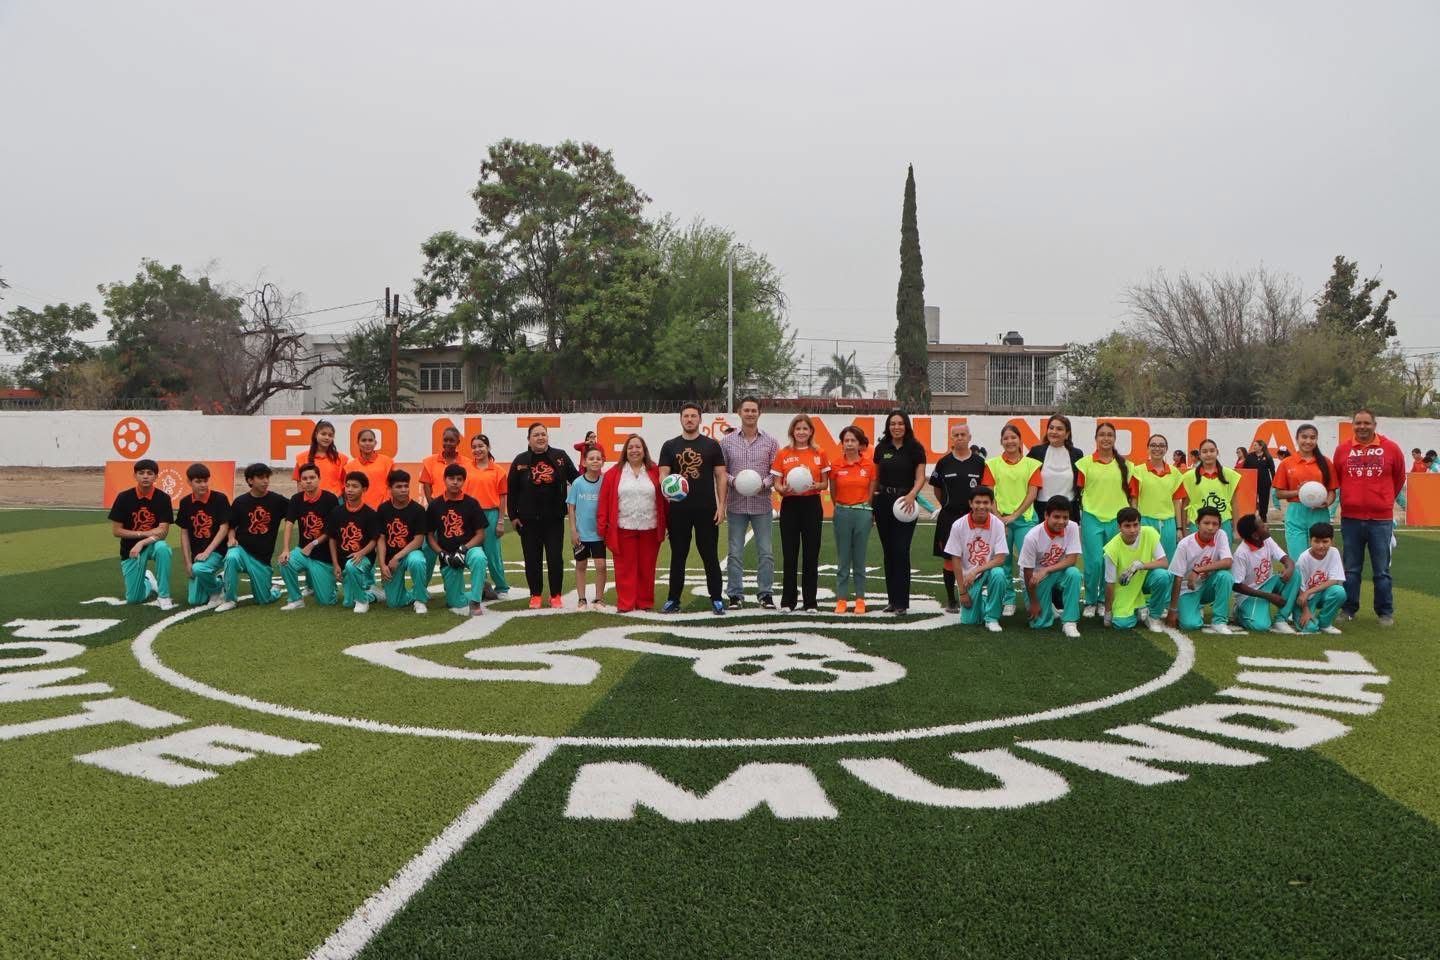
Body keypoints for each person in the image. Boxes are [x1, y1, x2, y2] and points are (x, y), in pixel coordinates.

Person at [1333, 408, 1405, 625]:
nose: (1362, 427)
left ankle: (1385, 612)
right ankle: (1348, 609)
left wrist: (1382, 500)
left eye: (1366, 423)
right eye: (1358, 423)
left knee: (1381, 570)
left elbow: (1399, 478)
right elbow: (1337, 479)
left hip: (1381, 521)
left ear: (1375, 424)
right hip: (1351, 519)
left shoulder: (1391, 448)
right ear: (1352, 425)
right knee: (1351, 569)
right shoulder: (1342, 450)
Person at [659, 403, 728, 615]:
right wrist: (668, 490)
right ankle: (673, 599)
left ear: (700, 419)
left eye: (693, 416)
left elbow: (721, 476)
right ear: (681, 419)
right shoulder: (670, 446)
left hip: (706, 509)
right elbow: (663, 475)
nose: (689, 419)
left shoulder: (712, 445)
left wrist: (721, 506)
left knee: (709, 554)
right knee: (678, 555)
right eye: (686, 416)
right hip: (679, 510)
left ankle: (716, 598)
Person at [508, 422, 579, 609]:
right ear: (529, 439)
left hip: (554, 519)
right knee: (532, 558)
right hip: (528, 520)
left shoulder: (560, 456)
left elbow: (577, 480)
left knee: (555, 557)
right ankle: (536, 595)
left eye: (543, 434)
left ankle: (556, 595)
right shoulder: (520, 460)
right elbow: (512, 490)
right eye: (536, 435)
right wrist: (513, 516)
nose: (540, 437)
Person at [596, 434, 668, 613]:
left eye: (638, 447)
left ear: (644, 451)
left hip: (650, 527)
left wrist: (667, 524)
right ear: (625, 451)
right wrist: (602, 528)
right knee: (624, 569)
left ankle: (644, 602)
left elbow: (665, 500)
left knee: (647, 567)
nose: (634, 450)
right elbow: (604, 501)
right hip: (623, 527)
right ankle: (626, 604)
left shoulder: (655, 471)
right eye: (630, 447)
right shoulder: (613, 473)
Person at [720, 396, 780, 609]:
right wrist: (734, 481)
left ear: (759, 413)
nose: (750, 414)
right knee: (734, 552)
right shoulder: (727, 442)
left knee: (766, 552)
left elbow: (776, 472)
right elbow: (721, 472)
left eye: (754, 410)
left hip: (761, 504)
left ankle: (765, 594)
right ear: (739, 412)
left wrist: (762, 484)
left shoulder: (771, 442)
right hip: (736, 505)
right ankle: (735, 595)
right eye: (746, 410)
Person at [1074, 422, 1138, 619]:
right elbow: (1078, 491)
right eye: (1102, 434)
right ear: (1096, 438)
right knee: (1093, 563)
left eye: (1110, 435)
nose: (1106, 438)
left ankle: (1104, 600)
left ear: (1114, 439)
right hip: (1092, 518)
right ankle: (1091, 601)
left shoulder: (1126, 465)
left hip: (1117, 521)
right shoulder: (1084, 464)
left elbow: (1133, 495)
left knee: (1110, 561)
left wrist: (1133, 520)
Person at [982, 424, 1042, 618]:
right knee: (1003, 562)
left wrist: (1014, 516)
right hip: (999, 521)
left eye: (1013, 438)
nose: (1010, 441)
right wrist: (999, 519)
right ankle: (1008, 600)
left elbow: (1032, 494)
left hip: (1024, 520)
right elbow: (989, 494)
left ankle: (1030, 600)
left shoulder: (1032, 465)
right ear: (1001, 441)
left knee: (1028, 563)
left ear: (1020, 440)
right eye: (1006, 438)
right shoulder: (992, 464)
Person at [772, 413, 830, 613]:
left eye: (805, 428)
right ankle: (788, 601)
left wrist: (816, 484)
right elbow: (777, 483)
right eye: (798, 429)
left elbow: (825, 483)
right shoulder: (783, 453)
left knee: (811, 555)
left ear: (811, 431)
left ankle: (810, 602)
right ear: (792, 431)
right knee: (790, 555)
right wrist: (782, 489)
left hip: (812, 505)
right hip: (790, 506)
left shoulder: (820, 453)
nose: (802, 432)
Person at [872, 410, 928, 614]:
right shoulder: (881, 448)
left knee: (901, 551)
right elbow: (876, 479)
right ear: (888, 426)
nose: (896, 427)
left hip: (906, 503)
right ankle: (892, 600)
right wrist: (872, 505)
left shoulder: (915, 448)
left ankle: (902, 603)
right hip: (883, 503)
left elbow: (921, 476)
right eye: (893, 424)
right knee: (888, 552)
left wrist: (912, 495)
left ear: (906, 426)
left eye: (900, 423)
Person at [929, 422, 988, 613]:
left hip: (975, 518)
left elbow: (986, 489)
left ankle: (975, 594)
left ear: (970, 438)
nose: (960, 438)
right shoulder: (944, 463)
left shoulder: (979, 463)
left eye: (963, 435)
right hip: (949, 518)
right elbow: (937, 489)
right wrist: (947, 504)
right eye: (956, 435)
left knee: (976, 557)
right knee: (949, 559)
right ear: (952, 439)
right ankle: (951, 599)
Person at [216, 462, 289, 612]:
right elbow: (231, 525)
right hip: (242, 550)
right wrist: (231, 538)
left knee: (264, 600)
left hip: (262, 559)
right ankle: (230, 599)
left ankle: (274, 589)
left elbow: (294, 512)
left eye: (267, 477)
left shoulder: (277, 500)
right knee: (231, 557)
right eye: (261, 478)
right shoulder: (240, 502)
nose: (265, 481)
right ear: (250, 480)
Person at [108, 457, 175, 609]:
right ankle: (148, 581)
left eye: (150, 473)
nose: (145, 476)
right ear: (135, 475)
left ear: (156, 476)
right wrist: (143, 534)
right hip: (130, 550)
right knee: (133, 599)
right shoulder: (123, 497)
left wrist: (142, 542)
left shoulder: (163, 498)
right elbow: (116, 531)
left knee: (163, 548)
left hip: (151, 545)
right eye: (141, 473)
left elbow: (163, 532)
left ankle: (164, 595)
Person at [942, 486, 1009, 632]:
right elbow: (956, 560)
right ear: (970, 504)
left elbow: (1000, 559)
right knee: (970, 621)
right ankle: (985, 601)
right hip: (968, 578)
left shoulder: (997, 524)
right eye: (977, 502)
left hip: (988, 570)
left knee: (999, 574)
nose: (981, 506)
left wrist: (976, 570)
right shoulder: (958, 525)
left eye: (986, 502)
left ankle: (992, 618)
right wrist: (962, 592)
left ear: (992, 504)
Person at [427, 463, 489, 617]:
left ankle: (475, 602)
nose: (455, 482)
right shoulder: (435, 505)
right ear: (444, 479)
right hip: (447, 555)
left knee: (479, 557)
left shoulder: (472, 503)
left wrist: (463, 549)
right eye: (451, 478)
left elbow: (481, 534)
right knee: (455, 602)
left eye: (459, 479)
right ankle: (482, 591)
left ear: (464, 481)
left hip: (468, 550)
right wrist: (441, 554)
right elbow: (429, 536)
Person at [1165, 505, 1237, 634]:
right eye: (1206, 523)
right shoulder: (1184, 545)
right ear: (1197, 523)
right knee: (1190, 625)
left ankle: (1219, 621)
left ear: (1220, 526)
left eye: (1215, 524)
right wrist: (1172, 611)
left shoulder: (1220, 535)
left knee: (1225, 576)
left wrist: (1197, 570)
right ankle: (1193, 607)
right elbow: (1177, 578)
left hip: (1207, 586)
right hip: (1187, 590)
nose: (1210, 528)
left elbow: (1228, 562)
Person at [1018, 496, 1083, 638]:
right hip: (1034, 578)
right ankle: (1048, 608)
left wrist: (1047, 569)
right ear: (1046, 515)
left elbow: (1072, 559)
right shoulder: (1032, 536)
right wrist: (1034, 602)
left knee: (1074, 574)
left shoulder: (1072, 527)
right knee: (1039, 624)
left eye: (1065, 517)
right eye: (1056, 517)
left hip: (1054, 571)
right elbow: (1027, 572)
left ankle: (1070, 622)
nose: (1061, 522)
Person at [279, 462, 339, 610]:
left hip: (323, 557)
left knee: (326, 601)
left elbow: (332, 530)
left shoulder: (330, 499)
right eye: (304, 478)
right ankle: (296, 599)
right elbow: (288, 524)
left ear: (319, 479)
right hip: (303, 552)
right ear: (300, 481)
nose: (308, 481)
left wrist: (313, 544)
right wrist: (286, 549)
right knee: (284, 562)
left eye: (312, 477)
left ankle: (329, 586)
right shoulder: (296, 499)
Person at [830, 425, 877, 614]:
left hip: (862, 514)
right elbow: (833, 492)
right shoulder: (836, 465)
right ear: (842, 444)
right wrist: (842, 507)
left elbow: (871, 492)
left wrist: (866, 511)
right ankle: (841, 599)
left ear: (860, 444)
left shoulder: (869, 465)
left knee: (859, 558)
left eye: (853, 441)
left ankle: (860, 598)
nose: (849, 444)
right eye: (846, 440)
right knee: (843, 558)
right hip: (842, 513)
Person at [1102, 507, 1171, 634]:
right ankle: (1140, 608)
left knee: (1163, 576)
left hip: (1145, 579)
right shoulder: (1111, 549)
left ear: (1140, 524)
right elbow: (1110, 584)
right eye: (1127, 526)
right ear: (1119, 527)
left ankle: (1153, 616)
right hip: (1124, 587)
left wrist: (1141, 565)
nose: (1133, 530)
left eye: (1136, 525)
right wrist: (1108, 612)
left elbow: (1164, 562)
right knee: (1122, 624)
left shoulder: (1149, 533)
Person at [1272, 424, 1337, 558]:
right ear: (1297, 438)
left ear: (1316, 440)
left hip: (1319, 513)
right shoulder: (1287, 463)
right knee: (1298, 559)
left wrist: (1327, 503)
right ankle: (1300, 580)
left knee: (1320, 558)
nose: (1308, 441)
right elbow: (1279, 493)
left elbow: (1332, 490)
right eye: (1304, 437)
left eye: (1312, 438)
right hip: (1296, 512)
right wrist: (1299, 492)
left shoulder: (1325, 462)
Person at [1229, 513, 1297, 634]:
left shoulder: (1267, 540)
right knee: (1260, 626)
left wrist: (1290, 567)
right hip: (1250, 594)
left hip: (1269, 584)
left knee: (1295, 574)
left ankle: (1281, 619)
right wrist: (1268, 596)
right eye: (1262, 525)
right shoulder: (1241, 554)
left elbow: (1286, 559)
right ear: (1255, 535)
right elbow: (1236, 585)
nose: (1267, 526)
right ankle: (1239, 612)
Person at [375, 468, 430, 614]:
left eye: (406, 486)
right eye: (399, 487)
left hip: (410, 553)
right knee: (393, 603)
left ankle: (420, 600)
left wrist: (396, 557)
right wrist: (382, 564)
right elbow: (380, 538)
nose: (403, 490)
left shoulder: (418, 509)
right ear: (390, 489)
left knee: (417, 561)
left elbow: (418, 540)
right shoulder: (383, 509)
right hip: (390, 558)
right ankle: (412, 595)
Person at [175, 462, 229, 607]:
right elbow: (184, 533)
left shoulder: (220, 499)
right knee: (195, 601)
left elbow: (224, 528)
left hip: (218, 551)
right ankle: (218, 580)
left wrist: (207, 552)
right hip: (198, 557)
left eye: (205, 481)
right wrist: (187, 563)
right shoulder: (185, 503)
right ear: (189, 482)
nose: (203, 485)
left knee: (199, 568)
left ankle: (217, 589)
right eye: (198, 481)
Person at [327, 471, 380, 612]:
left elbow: (375, 540)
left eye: (355, 486)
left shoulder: (370, 514)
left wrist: (361, 553)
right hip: (343, 561)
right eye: (347, 485)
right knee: (348, 603)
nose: (349, 490)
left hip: (363, 559)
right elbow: (332, 539)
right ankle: (372, 594)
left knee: (352, 565)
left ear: (364, 490)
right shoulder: (336, 512)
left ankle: (363, 601)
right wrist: (336, 564)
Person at [466, 433, 510, 599]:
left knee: (492, 554)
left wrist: (500, 521)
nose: (477, 450)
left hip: (491, 514)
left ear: (488, 448)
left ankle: (502, 587)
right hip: (471, 515)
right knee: (474, 552)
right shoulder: (467, 468)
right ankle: (482, 586)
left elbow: (503, 497)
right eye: (474, 447)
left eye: (481, 446)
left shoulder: (498, 471)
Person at [567, 445, 608, 610]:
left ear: (603, 461)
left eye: (598, 458)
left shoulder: (605, 481)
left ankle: (599, 599)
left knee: (601, 566)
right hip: (582, 535)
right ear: (584, 461)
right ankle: (582, 599)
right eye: (591, 458)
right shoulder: (578, 483)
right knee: (581, 565)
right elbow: (571, 507)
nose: (595, 461)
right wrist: (573, 530)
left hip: (599, 534)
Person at [1134, 433, 1185, 560]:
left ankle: (1168, 581)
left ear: (1166, 449)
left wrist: (1179, 528)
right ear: (1148, 448)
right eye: (1153, 445)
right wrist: (1136, 523)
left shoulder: (1175, 473)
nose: (1157, 448)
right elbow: (1134, 500)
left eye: (1161, 445)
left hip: (1168, 523)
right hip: (1145, 521)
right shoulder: (1138, 471)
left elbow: (1176, 502)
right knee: (1145, 559)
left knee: (1168, 559)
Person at [1178, 439, 1242, 539]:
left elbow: (1234, 503)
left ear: (1217, 452)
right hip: (1197, 524)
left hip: (1223, 524)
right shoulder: (1189, 477)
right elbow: (1184, 505)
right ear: (1199, 454)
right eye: (1204, 451)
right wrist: (1183, 531)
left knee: (1223, 555)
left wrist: (1235, 530)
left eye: (1212, 451)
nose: (1208, 454)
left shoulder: (1229, 475)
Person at [1293, 522, 1348, 635]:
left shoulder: (1334, 552)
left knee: (1339, 592)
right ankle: (1295, 614)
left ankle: (1324, 624)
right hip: (1303, 599)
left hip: (1318, 594)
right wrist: (1305, 610)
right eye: (1316, 541)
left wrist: (1309, 591)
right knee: (1310, 629)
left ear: (1331, 541)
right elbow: (1300, 591)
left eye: (1325, 541)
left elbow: (1334, 580)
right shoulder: (1303, 559)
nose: (1321, 546)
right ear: (1310, 541)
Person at [1027, 413, 1083, 521]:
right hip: (1041, 510)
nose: (1054, 432)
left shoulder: (1077, 454)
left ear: (1067, 434)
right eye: (1051, 428)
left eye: (1059, 429)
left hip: (1069, 511)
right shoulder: (1036, 452)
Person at [293, 420, 348, 496]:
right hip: (311, 501)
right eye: (323, 434)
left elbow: (345, 484)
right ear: (316, 435)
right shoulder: (302, 458)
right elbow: (299, 484)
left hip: (335, 502)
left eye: (330, 435)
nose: (327, 437)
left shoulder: (341, 459)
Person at [420, 426, 470, 504]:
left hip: (461, 505)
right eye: (445, 440)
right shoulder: (430, 461)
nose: (448, 443)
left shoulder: (467, 463)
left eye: (451, 440)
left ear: (458, 442)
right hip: (437, 505)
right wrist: (432, 505)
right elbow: (427, 485)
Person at [347, 427, 394, 509]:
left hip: (384, 509)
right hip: (360, 510)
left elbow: (393, 485)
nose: (367, 443)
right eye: (364, 440)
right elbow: (348, 492)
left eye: (370, 440)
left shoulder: (388, 462)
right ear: (358, 443)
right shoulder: (350, 466)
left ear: (375, 443)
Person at [1244, 440, 1277, 520]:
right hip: (1252, 482)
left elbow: (1272, 470)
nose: (1254, 447)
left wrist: (1274, 482)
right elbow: (1245, 468)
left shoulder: (1267, 456)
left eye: (1255, 445)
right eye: (1253, 445)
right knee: (1251, 500)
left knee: (1264, 500)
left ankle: (1263, 516)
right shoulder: (1250, 456)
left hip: (1264, 482)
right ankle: (1250, 516)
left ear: (1261, 446)